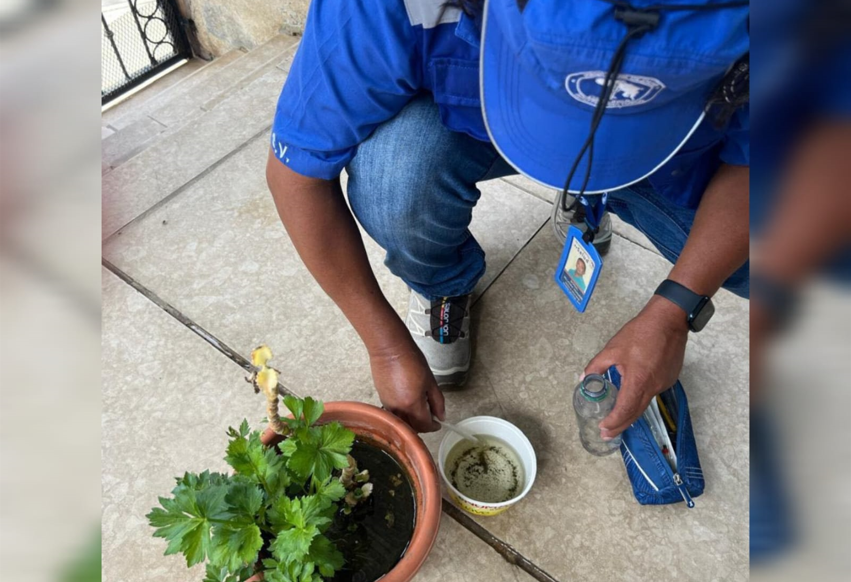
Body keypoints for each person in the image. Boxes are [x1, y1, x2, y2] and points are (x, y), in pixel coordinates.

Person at [266, 0, 750, 439]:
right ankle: (443, 287)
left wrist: (675, 310)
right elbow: (295, 175)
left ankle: (596, 198)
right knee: (393, 178)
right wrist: (386, 348)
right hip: (473, 116)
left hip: (674, 151)